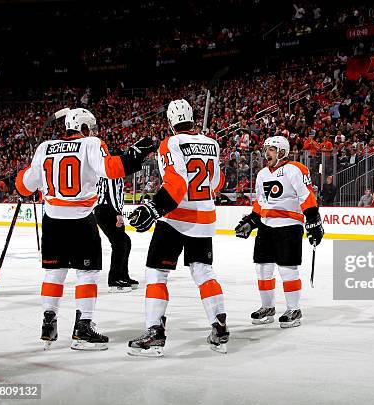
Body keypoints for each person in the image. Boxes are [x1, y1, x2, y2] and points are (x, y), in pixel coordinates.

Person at [15, 108, 153, 350]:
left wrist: (24, 174)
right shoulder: (90, 144)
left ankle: (48, 322)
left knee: (53, 273)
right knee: (86, 274)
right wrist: (135, 155)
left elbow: (24, 187)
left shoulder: (44, 147)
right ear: (85, 128)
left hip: (53, 220)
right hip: (80, 220)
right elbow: (112, 169)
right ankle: (83, 328)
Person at [127, 99, 229, 356]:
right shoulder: (212, 143)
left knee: (156, 273)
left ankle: (154, 332)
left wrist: (153, 208)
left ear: (171, 122)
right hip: (205, 216)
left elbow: (176, 183)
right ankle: (219, 326)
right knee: (203, 271)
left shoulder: (170, 143)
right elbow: (216, 183)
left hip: (175, 217)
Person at [234, 136, 323, 328]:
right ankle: (267, 307)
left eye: (272, 149)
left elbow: (306, 196)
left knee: (287, 268)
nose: (267, 153)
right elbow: (260, 202)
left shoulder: (296, 169)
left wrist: (313, 220)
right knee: (263, 267)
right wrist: (252, 220)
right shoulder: (262, 174)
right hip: (267, 225)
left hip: (289, 225)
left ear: (282, 151)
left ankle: (294, 309)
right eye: (266, 149)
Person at [95, 147, 138, 293]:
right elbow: (112, 194)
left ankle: (123, 276)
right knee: (120, 243)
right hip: (107, 210)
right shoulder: (112, 171)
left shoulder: (108, 170)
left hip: (107, 210)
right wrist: (118, 213)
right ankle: (114, 280)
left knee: (125, 242)